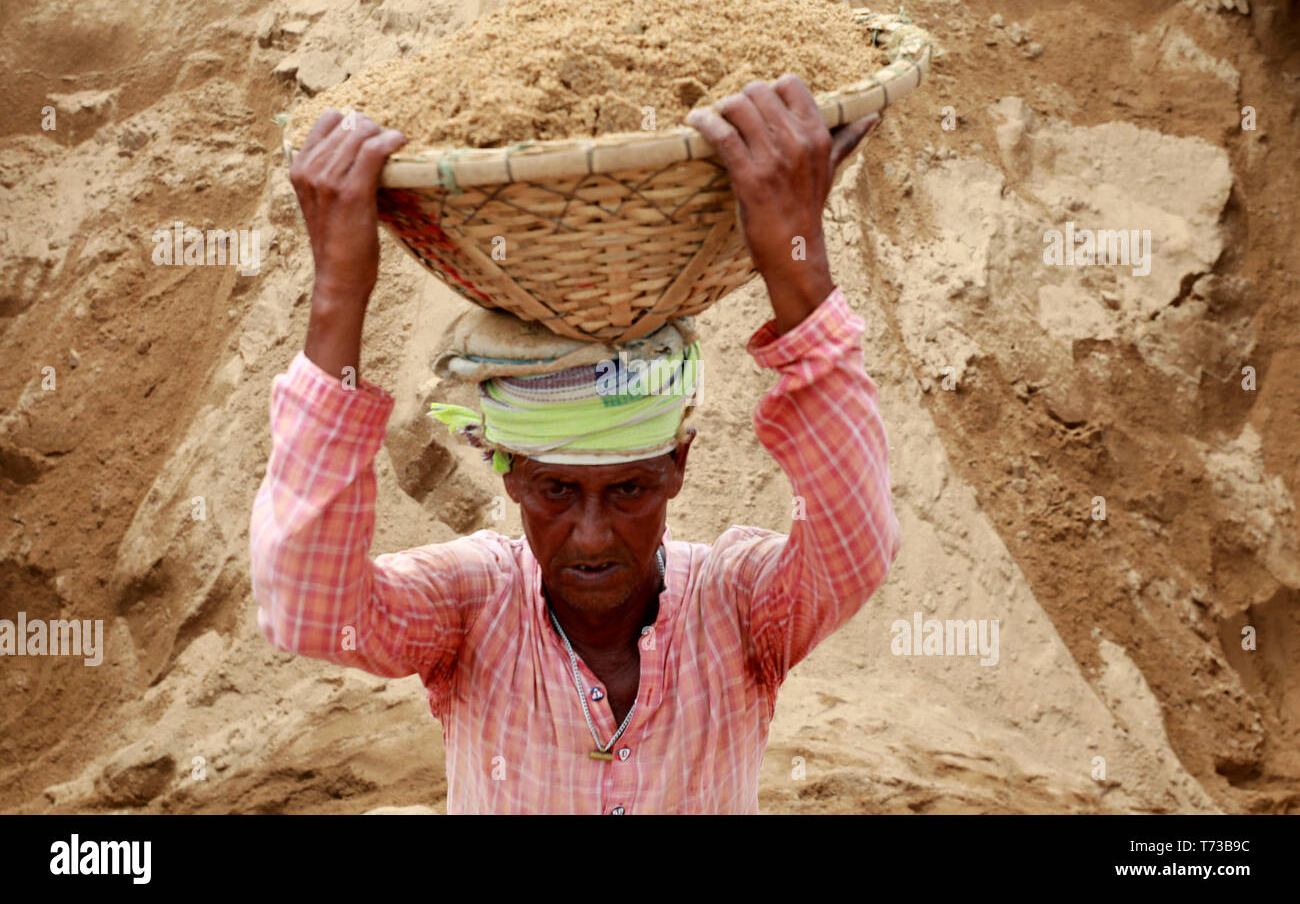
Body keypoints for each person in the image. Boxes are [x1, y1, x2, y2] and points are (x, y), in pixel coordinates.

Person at [249, 75, 901, 813]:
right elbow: (305, 608)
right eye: (557, 490)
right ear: (509, 474)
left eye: (628, 489)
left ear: (677, 466)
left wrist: (797, 262)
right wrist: (339, 290)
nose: (591, 535)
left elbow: (855, 548)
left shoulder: (739, 607)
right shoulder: (472, 607)